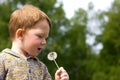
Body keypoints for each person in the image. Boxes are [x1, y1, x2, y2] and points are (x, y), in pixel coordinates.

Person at [0, 4, 69, 80]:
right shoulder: (3, 60)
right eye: (40, 36)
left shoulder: (41, 68)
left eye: (45, 38)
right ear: (20, 34)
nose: (44, 42)